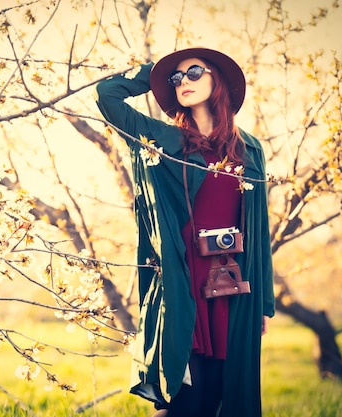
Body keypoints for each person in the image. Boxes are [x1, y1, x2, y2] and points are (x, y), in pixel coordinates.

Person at [95, 47, 275, 417]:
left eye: (194, 72)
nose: (184, 82)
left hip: (234, 286)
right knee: (183, 399)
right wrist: (156, 72)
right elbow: (106, 94)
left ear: (217, 79)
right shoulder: (162, 140)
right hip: (183, 285)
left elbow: (259, 231)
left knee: (220, 398)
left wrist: (265, 302)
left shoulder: (249, 149)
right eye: (176, 79)